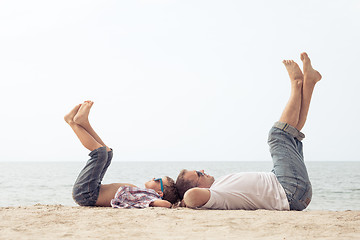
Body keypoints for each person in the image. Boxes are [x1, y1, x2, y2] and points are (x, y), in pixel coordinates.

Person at [175, 52, 322, 211]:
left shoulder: (219, 187)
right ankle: (296, 83)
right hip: (289, 191)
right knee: (278, 135)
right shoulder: (215, 195)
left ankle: (309, 83)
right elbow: (192, 196)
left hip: (285, 185)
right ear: (197, 186)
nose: (202, 171)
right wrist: (181, 201)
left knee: (291, 131)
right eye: (198, 174)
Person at [64, 101, 179, 208]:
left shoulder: (150, 197)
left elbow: (165, 204)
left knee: (100, 154)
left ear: (159, 193)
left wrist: (173, 204)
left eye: (158, 180)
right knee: (108, 153)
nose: (154, 178)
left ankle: (71, 122)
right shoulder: (143, 194)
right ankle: (84, 123)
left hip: (86, 194)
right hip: (92, 189)